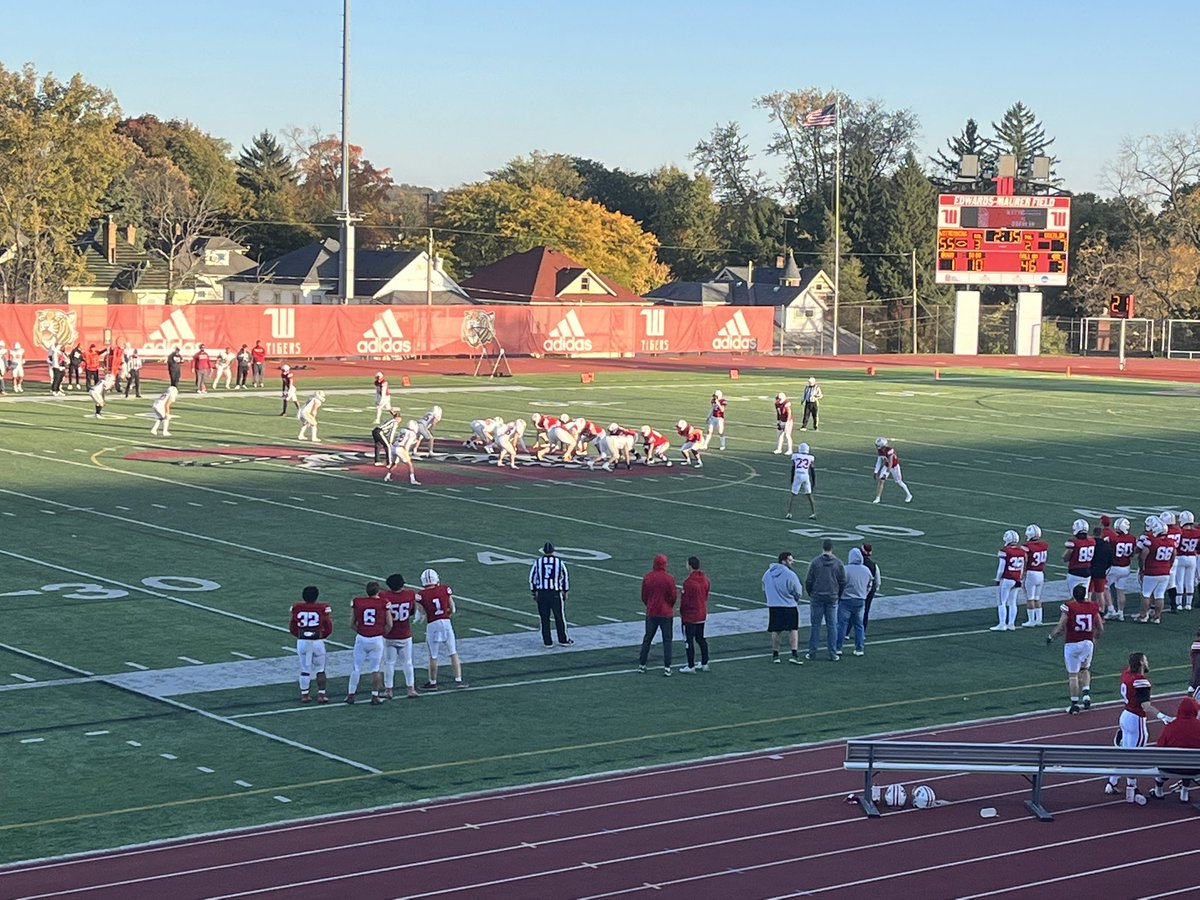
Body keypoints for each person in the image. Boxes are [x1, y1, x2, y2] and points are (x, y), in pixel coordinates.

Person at [1105, 652, 1174, 804]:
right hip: (1136, 719)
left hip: (1125, 715)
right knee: (1135, 756)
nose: (1148, 662)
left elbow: (1129, 669)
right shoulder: (1140, 681)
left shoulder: (1126, 674)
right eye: (1146, 660)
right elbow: (1146, 706)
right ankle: (1132, 789)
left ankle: (1112, 781)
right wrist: (1162, 716)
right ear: (1142, 663)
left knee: (1125, 751)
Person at [1047, 584, 1104, 714]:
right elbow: (1100, 626)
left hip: (1072, 643)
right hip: (1087, 642)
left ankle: (1074, 703)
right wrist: (1095, 638)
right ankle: (1086, 694)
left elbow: (1061, 626)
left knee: (1073, 675)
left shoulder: (1069, 606)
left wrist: (1051, 637)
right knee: (1085, 669)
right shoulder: (1093, 606)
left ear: (1074, 594)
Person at [415, 568, 467, 690]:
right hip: (446, 622)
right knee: (453, 652)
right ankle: (458, 680)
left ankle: (432, 682)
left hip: (432, 624)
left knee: (433, 655)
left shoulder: (420, 595)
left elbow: (421, 613)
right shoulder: (444, 589)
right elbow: (452, 608)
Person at [346, 581, 393, 705]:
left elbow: (352, 623)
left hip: (361, 638)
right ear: (378, 591)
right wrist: (379, 633)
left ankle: (351, 694)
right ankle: (375, 696)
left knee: (356, 668)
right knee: (375, 669)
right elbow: (389, 624)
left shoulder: (358, 602)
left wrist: (362, 631)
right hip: (376, 639)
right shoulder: (383, 603)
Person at [289, 585, 333, 704]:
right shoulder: (322, 607)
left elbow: (292, 626)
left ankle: (305, 695)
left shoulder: (297, 607)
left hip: (302, 640)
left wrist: (299, 636)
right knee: (320, 669)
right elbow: (328, 626)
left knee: (305, 669)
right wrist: (322, 636)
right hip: (317, 641)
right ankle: (321, 695)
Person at [379, 573, 421, 700]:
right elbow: (412, 611)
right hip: (405, 634)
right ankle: (411, 689)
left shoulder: (384, 596)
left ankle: (389, 690)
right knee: (408, 663)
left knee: (389, 663)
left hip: (390, 635)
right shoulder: (409, 594)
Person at [1152, 695, 1200, 802]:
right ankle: (1184, 793)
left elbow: (1160, 746)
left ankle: (1158, 791)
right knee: (1189, 761)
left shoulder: (1171, 726)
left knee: (1163, 761)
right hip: (1195, 769)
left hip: (1170, 767)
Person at [805, 540, 845, 661]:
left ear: (822, 548)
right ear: (832, 548)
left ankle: (812, 653)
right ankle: (833, 653)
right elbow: (842, 581)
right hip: (832, 597)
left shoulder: (815, 562)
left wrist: (811, 593)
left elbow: (809, 581)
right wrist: (838, 594)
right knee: (832, 626)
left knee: (815, 626)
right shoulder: (838, 563)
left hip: (817, 596)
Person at [638, 553, 677, 675]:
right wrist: (669, 606)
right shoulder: (669, 578)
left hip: (652, 612)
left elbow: (644, 596)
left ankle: (642, 664)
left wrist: (650, 605)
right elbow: (673, 596)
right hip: (666, 613)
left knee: (647, 638)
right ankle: (667, 667)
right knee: (667, 640)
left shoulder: (648, 577)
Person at [763, 551, 804, 665]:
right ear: (784, 561)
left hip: (774, 605)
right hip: (789, 605)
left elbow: (764, 586)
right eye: (790, 560)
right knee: (793, 629)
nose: (792, 562)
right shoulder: (790, 574)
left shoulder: (768, 573)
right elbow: (797, 590)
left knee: (776, 631)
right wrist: (795, 598)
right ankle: (794, 654)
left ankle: (775, 655)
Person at [529, 542, 572, 648]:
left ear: (543, 551)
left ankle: (547, 642)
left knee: (544, 618)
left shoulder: (538, 562)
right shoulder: (559, 562)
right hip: (555, 593)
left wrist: (534, 592)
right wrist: (565, 591)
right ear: (553, 550)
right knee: (559, 617)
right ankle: (563, 639)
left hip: (542, 593)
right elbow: (565, 577)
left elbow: (532, 578)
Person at [1136, 516, 1175, 623]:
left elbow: (1143, 555)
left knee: (1146, 594)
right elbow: (1173, 556)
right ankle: (1157, 617)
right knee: (1159, 595)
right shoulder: (1171, 542)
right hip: (1165, 572)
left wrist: (1142, 567)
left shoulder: (1152, 541)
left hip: (1152, 571)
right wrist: (1168, 566)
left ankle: (1143, 616)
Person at [837, 547, 872, 657]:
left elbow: (840, 584)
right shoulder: (866, 570)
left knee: (842, 625)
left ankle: (838, 648)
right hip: (860, 600)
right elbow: (870, 584)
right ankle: (859, 648)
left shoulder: (845, 569)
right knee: (859, 625)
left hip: (846, 600)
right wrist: (864, 594)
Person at [679, 556, 710, 673]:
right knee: (701, 638)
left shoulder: (688, 582)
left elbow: (685, 601)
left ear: (690, 566)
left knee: (689, 640)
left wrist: (682, 612)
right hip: (701, 613)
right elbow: (706, 595)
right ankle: (705, 663)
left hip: (690, 615)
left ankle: (691, 665)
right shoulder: (705, 580)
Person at [993, 529, 1025, 632]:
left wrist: (998, 579)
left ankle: (1002, 624)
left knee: (1002, 602)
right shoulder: (1021, 551)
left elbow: (1001, 568)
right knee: (1012, 602)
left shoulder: (1004, 551)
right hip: (1017, 578)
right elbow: (1022, 567)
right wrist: (1020, 578)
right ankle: (1011, 624)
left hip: (1006, 579)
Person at [1105, 517, 1137, 621]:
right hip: (1126, 567)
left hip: (1114, 567)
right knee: (1121, 590)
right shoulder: (1132, 538)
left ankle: (1111, 610)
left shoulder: (1114, 538)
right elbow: (1132, 553)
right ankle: (1121, 613)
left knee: (1104, 587)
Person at [1022, 524, 1049, 626]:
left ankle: (1031, 620)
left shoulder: (1027, 547)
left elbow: (1025, 560)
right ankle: (1039, 619)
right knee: (1037, 598)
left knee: (1030, 598)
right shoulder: (1043, 545)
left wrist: (1023, 573)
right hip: (1040, 573)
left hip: (1031, 573)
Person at [872, 437, 913, 504]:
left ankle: (909, 494)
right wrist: (876, 471)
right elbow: (879, 461)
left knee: (899, 482)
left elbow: (890, 463)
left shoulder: (890, 450)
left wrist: (886, 473)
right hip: (886, 465)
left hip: (894, 467)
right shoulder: (880, 451)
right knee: (881, 481)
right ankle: (878, 498)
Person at [785, 442, 817, 520]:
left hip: (798, 475)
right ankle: (813, 513)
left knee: (793, 495)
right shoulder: (810, 458)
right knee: (809, 495)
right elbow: (812, 470)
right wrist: (813, 481)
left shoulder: (795, 456)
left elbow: (793, 469)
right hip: (806, 476)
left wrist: (792, 479)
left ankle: (789, 513)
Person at [383, 420, 421, 485]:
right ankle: (413, 480)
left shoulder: (402, 430)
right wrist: (406, 453)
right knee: (410, 465)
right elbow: (407, 445)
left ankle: (387, 476)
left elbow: (400, 439)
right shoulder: (412, 434)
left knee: (394, 464)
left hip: (393, 447)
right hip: (400, 448)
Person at [1088, 525, 1114, 613]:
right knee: (1100, 594)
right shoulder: (1106, 545)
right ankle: (1101, 612)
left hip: (1091, 571)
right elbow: (1110, 559)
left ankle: (1088, 611)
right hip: (1101, 572)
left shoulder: (1091, 543)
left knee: (1089, 593)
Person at [1177, 511, 1198, 612]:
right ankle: (1189, 603)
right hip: (1192, 557)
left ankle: (1179, 603)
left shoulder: (1180, 532)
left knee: (1179, 581)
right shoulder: (1197, 532)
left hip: (1180, 557)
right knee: (1190, 581)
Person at [860, 543, 882, 632]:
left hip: (858, 590)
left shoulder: (858, 564)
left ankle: (847, 632)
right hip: (869, 591)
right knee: (866, 611)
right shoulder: (874, 565)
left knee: (852, 611)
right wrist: (874, 589)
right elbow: (877, 581)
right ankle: (862, 631)